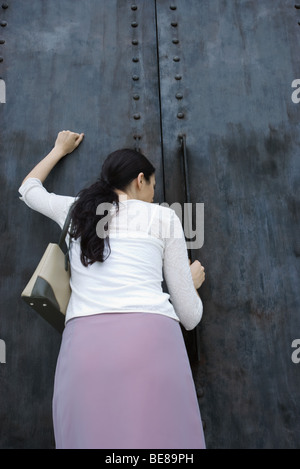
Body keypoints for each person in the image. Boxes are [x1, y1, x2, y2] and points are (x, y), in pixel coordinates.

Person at [18, 130, 206, 450]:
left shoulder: (77, 210)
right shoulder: (163, 217)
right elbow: (190, 317)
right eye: (153, 187)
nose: (153, 195)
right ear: (140, 180)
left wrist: (58, 149)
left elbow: (28, 189)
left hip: (86, 346)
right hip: (151, 344)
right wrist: (191, 283)